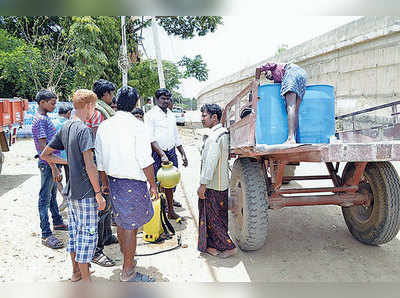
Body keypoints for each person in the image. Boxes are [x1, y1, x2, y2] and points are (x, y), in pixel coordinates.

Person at [41, 89, 106, 282]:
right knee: (87, 236)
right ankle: (86, 282)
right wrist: (98, 193)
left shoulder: (66, 126)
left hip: (71, 192)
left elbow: (45, 154)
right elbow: (90, 164)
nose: (94, 111)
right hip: (86, 192)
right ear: (88, 106)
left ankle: (76, 273)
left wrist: (68, 162)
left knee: (75, 234)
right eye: (94, 107)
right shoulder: (84, 130)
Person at [95, 86, 157, 282]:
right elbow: (145, 159)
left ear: (116, 101)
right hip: (132, 181)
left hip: (113, 181)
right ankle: (128, 271)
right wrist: (153, 184)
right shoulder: (138, 126)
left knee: (122, 223)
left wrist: (104, 182)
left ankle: (127, 258)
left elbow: (100, 159)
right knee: (129, 226)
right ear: (136, 103)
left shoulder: (105, 125)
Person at [197, 103, 237, 258]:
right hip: (221, 185)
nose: (202, 119)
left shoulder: (215, 136)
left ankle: (229, 247)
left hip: (212, 186)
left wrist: (202, 185)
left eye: (204, 115)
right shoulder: (223, 133)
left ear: (214, 117)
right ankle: (212, 246)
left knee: (212, 219)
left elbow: (210, 163)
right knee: (218, 217)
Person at [144, 88, 188, 219]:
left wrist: (183, 154)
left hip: (171, 152)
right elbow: (150, 138)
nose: (166, 101)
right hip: (157, 154)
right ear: (156, 100)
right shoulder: (150, 115)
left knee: (170, 182)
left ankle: (170, 211)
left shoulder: (171, 114)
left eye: (168, 98)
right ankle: (158, 214)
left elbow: (175, 137)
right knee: (158, 184)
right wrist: (162, 154)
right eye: (163, 98)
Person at [32, 90, 67, 250]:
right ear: (42, 103)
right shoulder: (40, 120)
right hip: (48, 164)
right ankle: (46, 233)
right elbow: (43, 148)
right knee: (44, 198)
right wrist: (54, 167)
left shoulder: (44, 119)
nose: (54, 106)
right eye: (52, 103)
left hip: (52, 163)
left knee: (52, 195)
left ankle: (58, 222)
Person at [89, 79, 118, 267]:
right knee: (102, 205)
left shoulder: (101, 111)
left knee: (107, 203)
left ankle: (106, 236)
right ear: (105, 94)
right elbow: (98, 143)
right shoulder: (99, 113)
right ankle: (96, 250)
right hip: (100, 165)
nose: (112, 97)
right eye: (111, 94)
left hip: (104, 163)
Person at [260, 62, 307, 144]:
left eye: (266, 73)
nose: (267, 76)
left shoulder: (273, 66)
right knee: (295, 110)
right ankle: (294, 138)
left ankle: (290, 138)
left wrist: (257, 79)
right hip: (302, 74)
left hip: (291, 73)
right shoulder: (278, 78)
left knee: (290, 107)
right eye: (267, 77)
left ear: (268, 69)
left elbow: (258, 68)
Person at [53, 102, 73, 182]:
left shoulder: (53, 123)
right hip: (67, 155)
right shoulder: (70, 124)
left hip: (55, 155)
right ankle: (68, 192)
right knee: (69, 178)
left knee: (56, 178)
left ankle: (61, 191)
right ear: (69, 113)